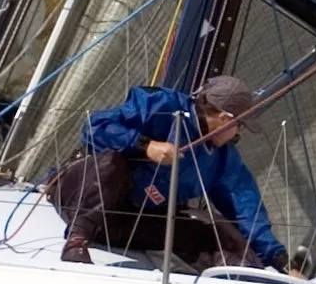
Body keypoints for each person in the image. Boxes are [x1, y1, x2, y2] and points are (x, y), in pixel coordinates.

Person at [47, 76, 288, 271]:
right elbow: (94, 127)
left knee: (210, 232)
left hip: (127, 222)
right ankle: (76, 241)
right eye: (239, 126)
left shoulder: (223, 158)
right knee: (112, 164)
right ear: (225, 119)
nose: (237, 135)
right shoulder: (161, 105)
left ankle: (241, 280)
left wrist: (278, 257)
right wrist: (145, 145)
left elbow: (245, 205)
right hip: (78, 200)